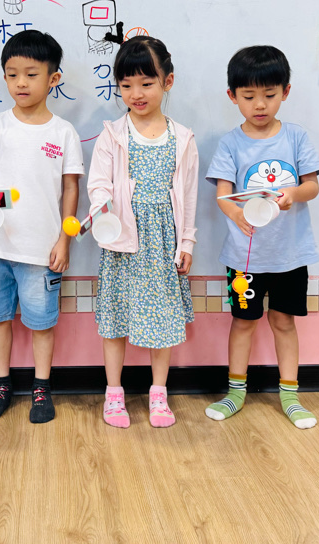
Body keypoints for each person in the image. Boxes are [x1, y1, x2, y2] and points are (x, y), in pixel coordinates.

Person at [205, 46, 319, 429]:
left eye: (269, 95)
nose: (260, 104)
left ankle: (290, 395)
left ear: (285, 92)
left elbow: (312, 187)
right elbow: (223, 196)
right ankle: (235, 392)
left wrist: (293, 193)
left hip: (290, 255)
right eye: (249, 96)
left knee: (284, 322)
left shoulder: (296, 136)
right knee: (243, 323)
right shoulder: (230, 143)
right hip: (244, 258)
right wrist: (236, 214)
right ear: (232, 96)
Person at [0, 29, 84, 423]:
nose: (20, 82)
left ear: (53, 78)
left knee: (41, 323)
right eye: (12, 74)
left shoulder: (63, 132)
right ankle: (2, 386)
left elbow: (71, 189)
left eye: (31, 74)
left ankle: (41, 389)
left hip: (42, 249)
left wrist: (65, 240)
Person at [87, 37, 198, 428]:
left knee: (163, 321)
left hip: (163, 243)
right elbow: (98, 183)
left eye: (146, 83)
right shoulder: (112, 134)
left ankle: (159, 394)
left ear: (168, 81)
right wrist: (102, 206)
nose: (136, 93)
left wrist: (187, 242)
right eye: (127, 84)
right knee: (116, 319)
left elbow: (189, 194)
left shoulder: (183, 138)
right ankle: (113, 394)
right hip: (122, 241)